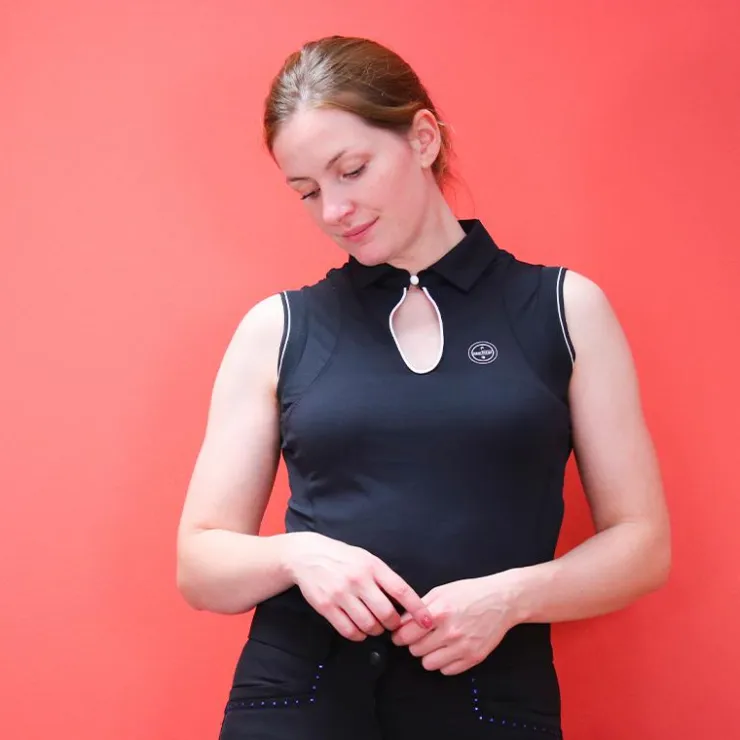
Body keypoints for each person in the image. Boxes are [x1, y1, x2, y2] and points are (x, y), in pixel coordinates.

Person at [176, 35, 671, 740]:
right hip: (296, 699)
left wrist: (511, 597)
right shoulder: (276, 327)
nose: (333, 209)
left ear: (423, 138)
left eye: (352, 170)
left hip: (490, 701)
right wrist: (299, 554)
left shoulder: (565, 309)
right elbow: (200, 566)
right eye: (307, 191)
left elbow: (642, 546)